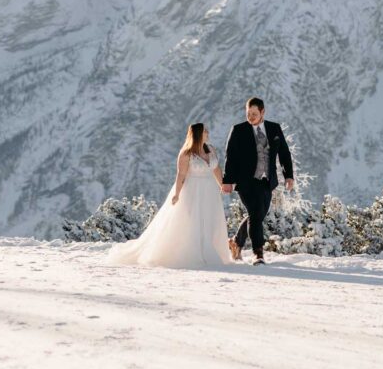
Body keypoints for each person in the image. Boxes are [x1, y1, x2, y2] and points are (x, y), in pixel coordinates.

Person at [105, 123, 234, 268]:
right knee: (193, 221)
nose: (208, 133)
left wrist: (222, 184)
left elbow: (216, 169)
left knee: (209, 219)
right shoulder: (186, 153)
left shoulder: (210, 149)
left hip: (209, 191)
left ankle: (210, 251)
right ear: (198, 134)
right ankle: (193, 253)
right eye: (205, 131)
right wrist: (177, 194)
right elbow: (181, 175)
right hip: (192, 191)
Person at [221, 97, 295, 265]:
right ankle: (257, 253)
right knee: (255, 214)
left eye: (254, 113)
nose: (251, 117)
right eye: (248, 113)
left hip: (267, 182)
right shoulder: (238, 130)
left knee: (258, 215)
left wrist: (288, 175)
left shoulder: (274, 128)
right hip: (246, 182)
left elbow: (284, 153)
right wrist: (228, 181)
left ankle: (236, 241)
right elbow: (230, 157)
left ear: (262, 112)